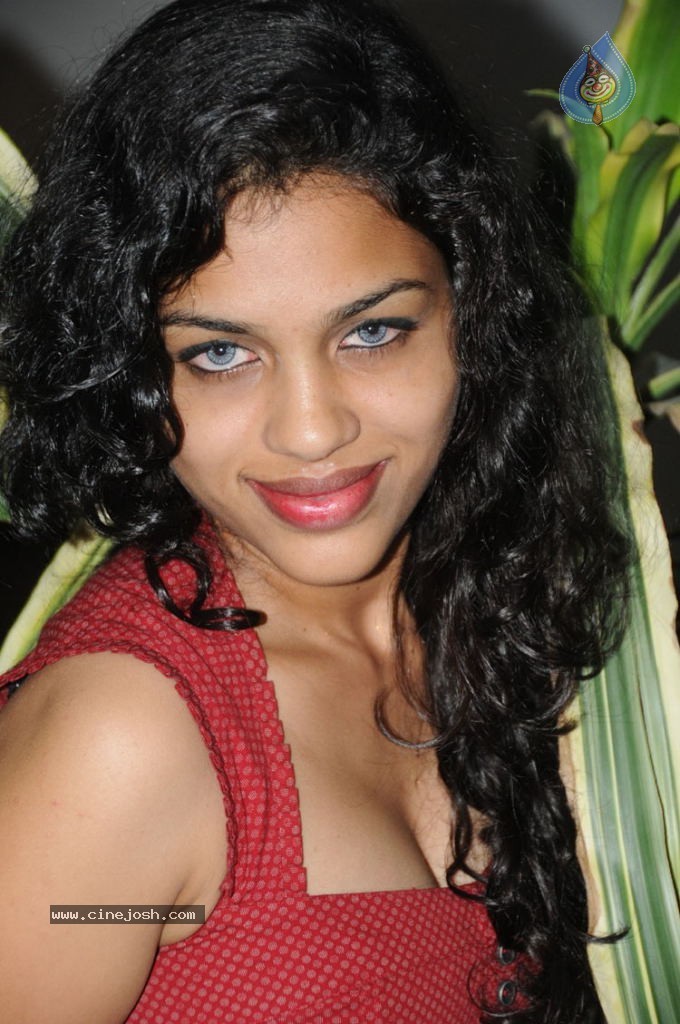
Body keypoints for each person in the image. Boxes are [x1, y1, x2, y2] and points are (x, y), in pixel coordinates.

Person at [0, 0, 630, 1021]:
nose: (310, 429)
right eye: (219, 352)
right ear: (131, 370)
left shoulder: (525, 610)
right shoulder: (124, 738)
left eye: (372, 332)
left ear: (471, 311)